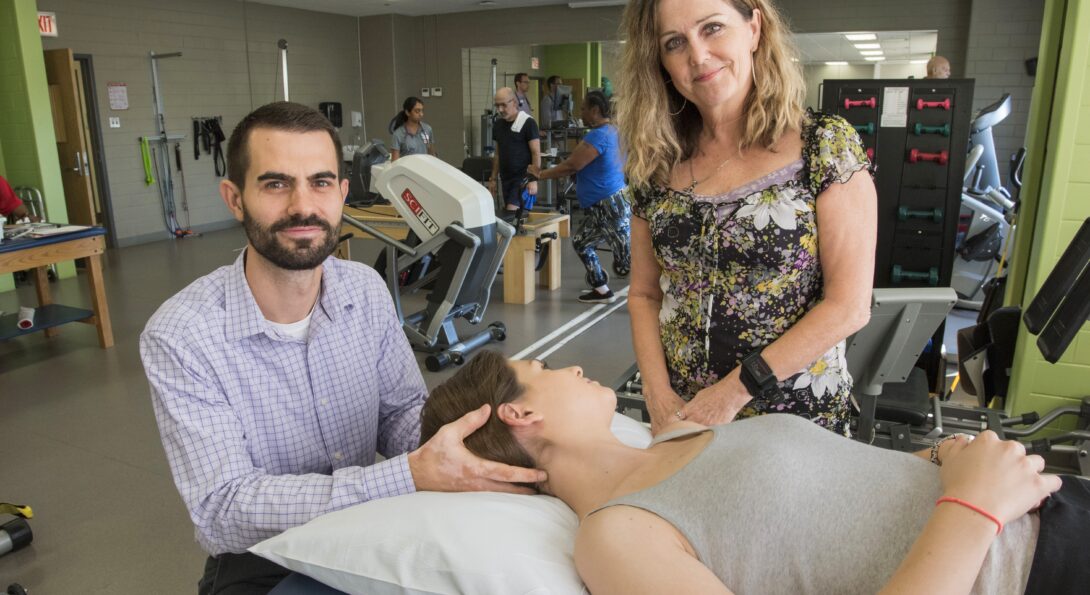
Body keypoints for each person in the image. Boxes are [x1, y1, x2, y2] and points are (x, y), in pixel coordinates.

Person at [139, 101, 544, 595]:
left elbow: (401, 415)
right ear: (234, 198)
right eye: (275, 183)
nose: (302, 206)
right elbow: (224, 513)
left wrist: (473, 450)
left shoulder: (365, 290)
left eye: (320, 182)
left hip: (368, 529)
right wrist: (407, 476)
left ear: (343, 193)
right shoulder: (182, 335)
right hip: (263, 558)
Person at [422, 350, 1089, 594]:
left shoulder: (681, 433)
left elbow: (838, 489)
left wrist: (947, 458)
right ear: (520, 411)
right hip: (1031, 564)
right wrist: (973, 507)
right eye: (543, 370)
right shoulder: (615, 535)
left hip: (1042, 502)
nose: (569, 366)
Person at [616, 0, 877, 435]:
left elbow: (848, 306)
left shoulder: (823, 146)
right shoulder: (656, 165)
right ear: (659, 61)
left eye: (713, 28)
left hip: (794, 424)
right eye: (674, 42)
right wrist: (657, 395)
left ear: (754, 28)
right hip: (683, 421)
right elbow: (644, 295)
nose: (697, 56)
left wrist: (733, 393)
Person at [528, 91, 631, 304]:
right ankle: (602, 290)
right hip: (606, 203)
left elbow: (571, 165)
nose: (580, 112)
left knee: (628, 260)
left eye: (584, 108)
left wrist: (540, 174)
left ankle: (658, 295)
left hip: (608, 204)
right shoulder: (614, 131)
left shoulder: (599, 135)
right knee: (582, 242)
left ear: (594, 110)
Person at [488, 87, 540, 216]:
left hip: (522, 179)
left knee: (512, 216)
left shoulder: (528, 123)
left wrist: (533, 179)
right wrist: (493, 179)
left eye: (504, 105)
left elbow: (536, 153)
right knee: (511, 218)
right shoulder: (498, 125)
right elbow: (498, 154)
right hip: (506, 179)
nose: (500, 110)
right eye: (497, 106)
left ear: (514, 103)